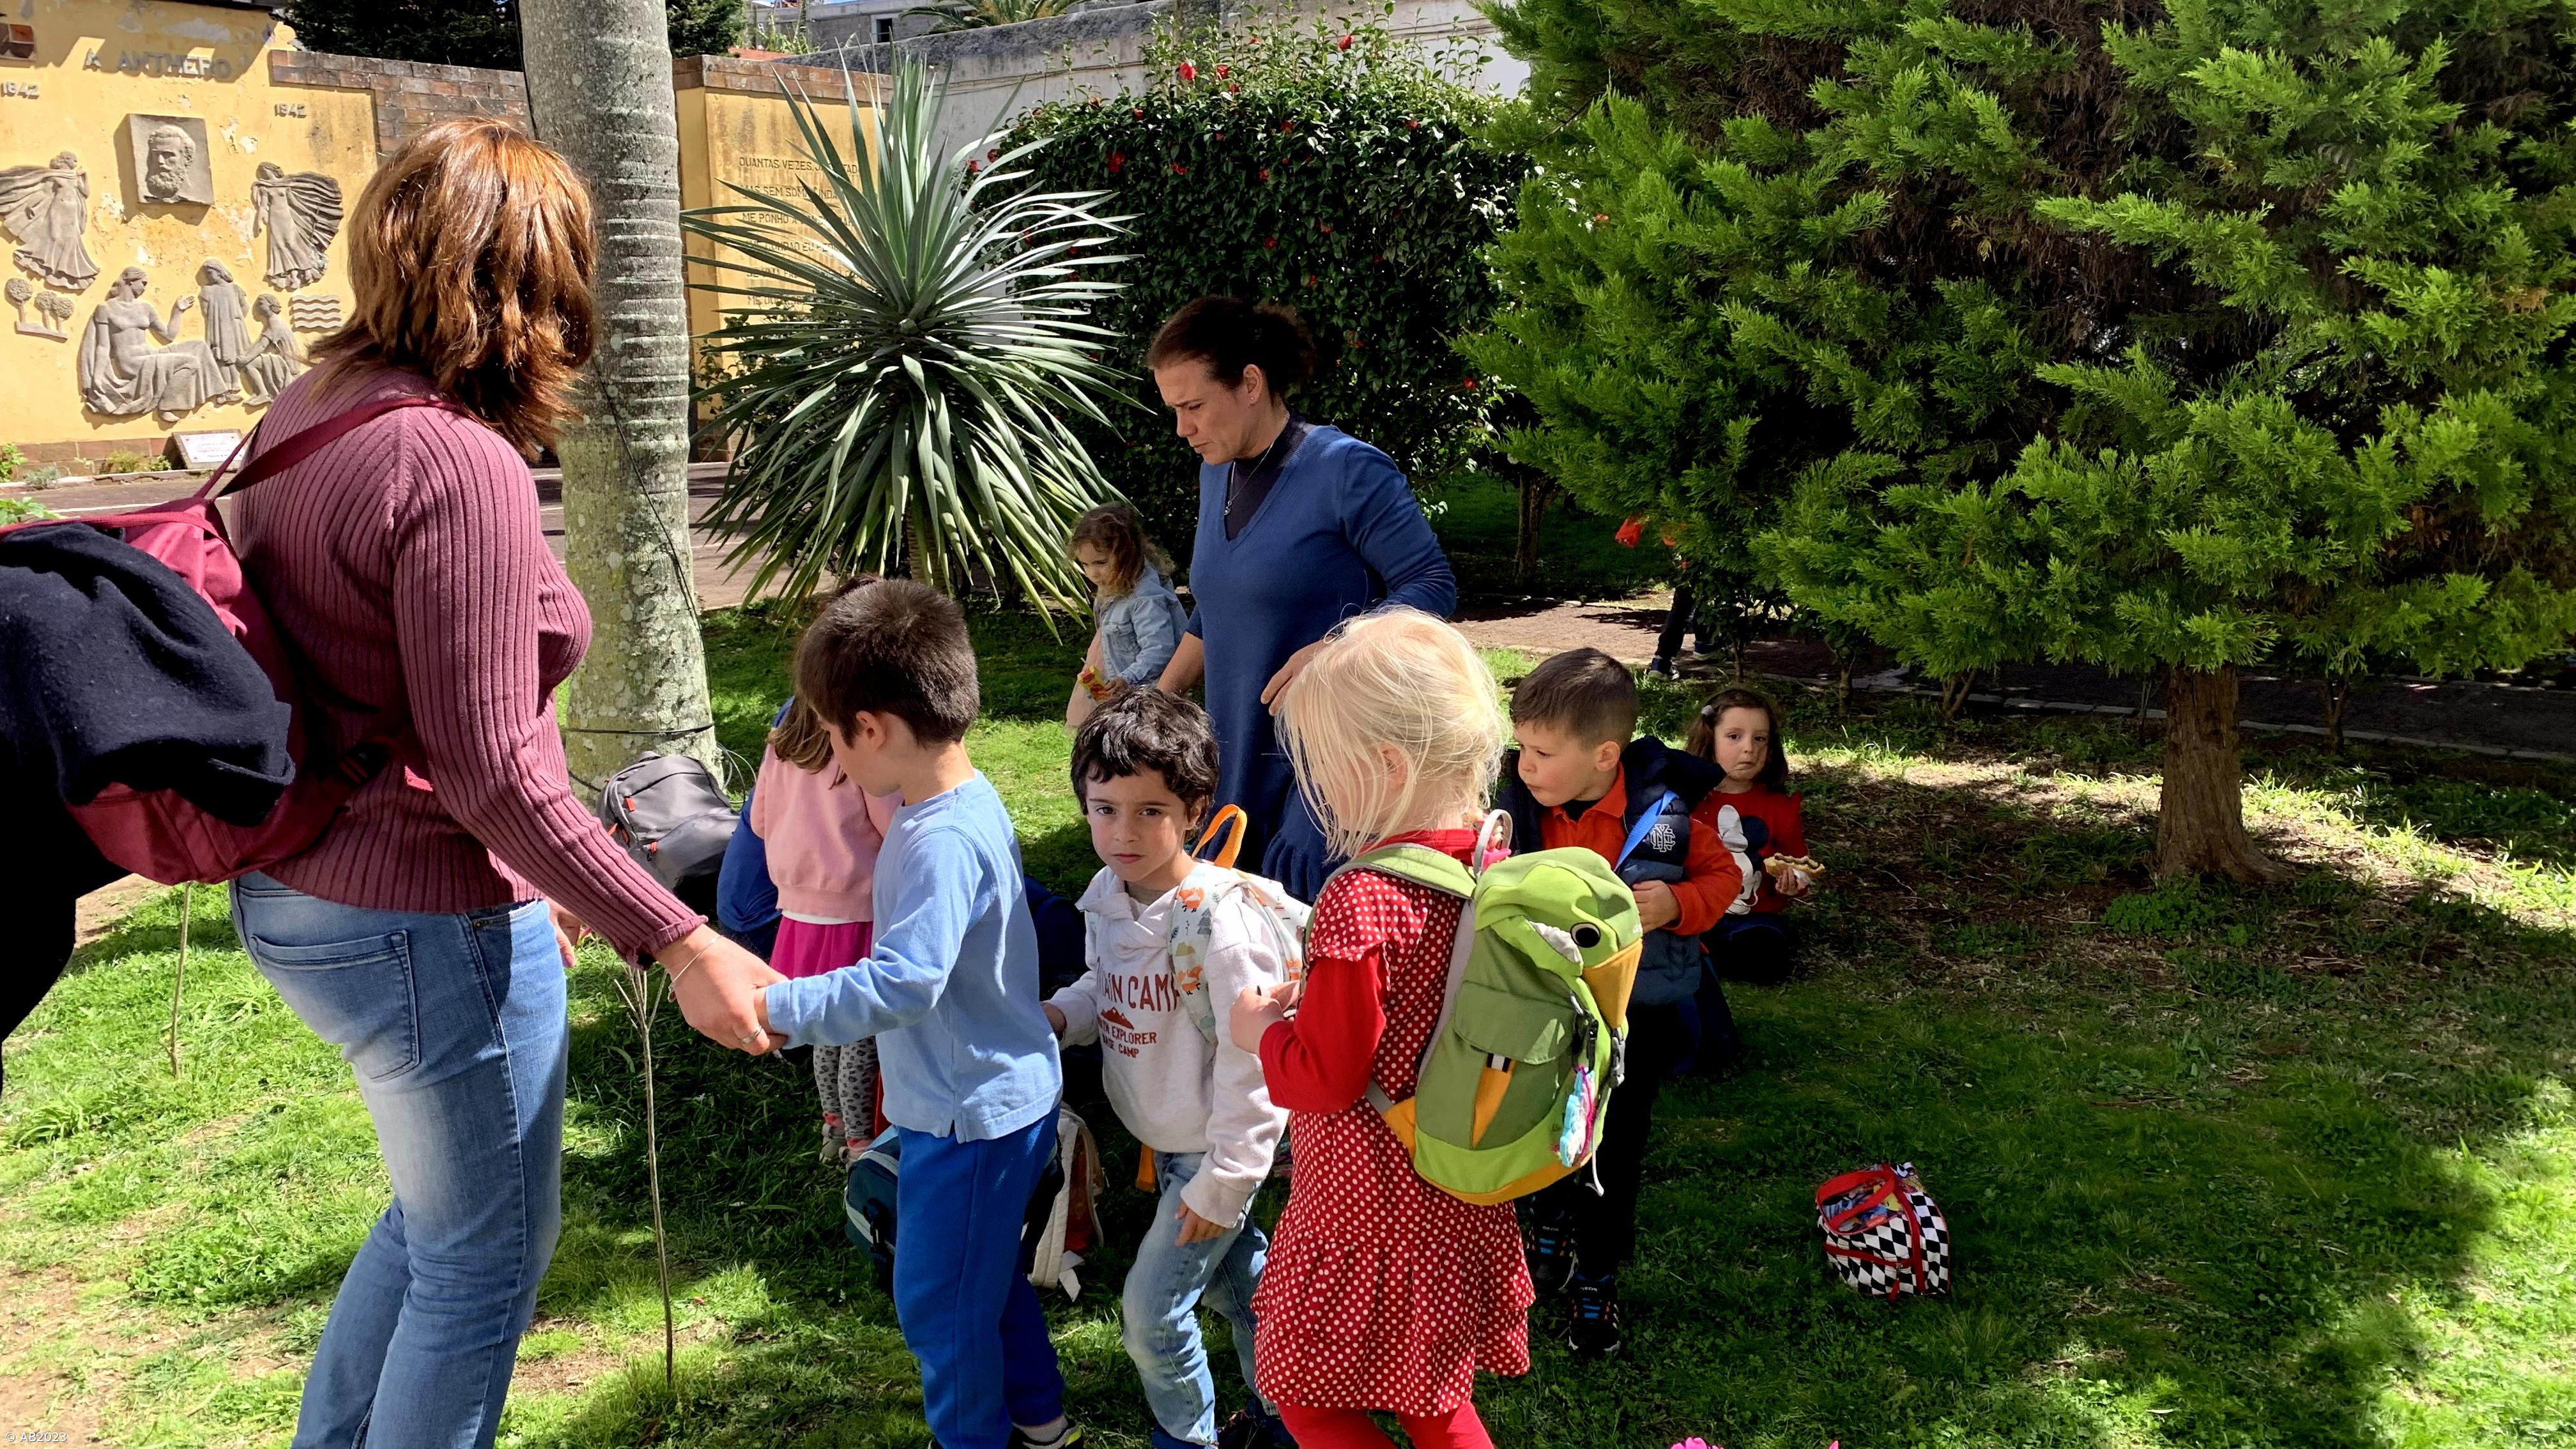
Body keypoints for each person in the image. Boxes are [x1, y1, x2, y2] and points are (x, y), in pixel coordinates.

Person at [224, 118, 780, 1449]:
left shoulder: (310, 411)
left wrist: (556, 870)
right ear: (540, 280)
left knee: (441, 1227)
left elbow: (442, 723)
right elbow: (484, 768)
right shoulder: (450, 460)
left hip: (304, 888)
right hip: (419, 920)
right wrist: (682, 935)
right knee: (480, 1266)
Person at [751, 579, 1075, 1449]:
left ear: (874, 730)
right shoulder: (960, 801)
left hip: (966, 1118)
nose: (825, 747)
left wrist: (775, 1007)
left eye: (828, 730)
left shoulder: (933, 838)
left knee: (938, 1309)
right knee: (984, 1283)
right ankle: (1043, 1428)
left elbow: (903, 983)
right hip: (991, 1098)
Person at [1227, 608, 1530, 1449]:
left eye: (1323, 769)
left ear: (1388, 766)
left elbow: (1325, 1076)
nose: (1315, 789)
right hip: (1458, 1188)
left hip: (1365, 1205)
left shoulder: (1365, 899)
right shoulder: (1491, 866)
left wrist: (1263, 1033)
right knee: (1434, 1398)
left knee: (1307, 1395)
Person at [1043, 689, 1294, 1449]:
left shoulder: (1220, 925)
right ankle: (1293, 1418)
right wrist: (1059, 1017)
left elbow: (1256, 1066)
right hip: (1170, 1138)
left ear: (1194, 811)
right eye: (1104, 808)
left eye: (1150, 811)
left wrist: (1224, 1181)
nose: (1123, 831)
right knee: (1243, 1289)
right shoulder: (1107, 897)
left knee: (1152, 1320)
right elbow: (1102, 987)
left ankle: (1188, 1438)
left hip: (1211, 1157)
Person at [1148, 298, 1457, 901]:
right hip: (1234, 757)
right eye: (1175, 411)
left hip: (1323, 770)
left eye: (1193, 407)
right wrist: (1157, 702)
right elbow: (1220, 604)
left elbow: (1431, 584)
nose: (1183, 429)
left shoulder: (1348, 471)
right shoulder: (1218, 471)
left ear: (1251, 384)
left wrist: (1336, 648)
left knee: (1300, 945)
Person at [1491, 647, 1745, 1358]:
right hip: (1540, 1013)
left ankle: (1596, 1276)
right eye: (1520, 748)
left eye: (1541, 752)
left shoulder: (1661, 814)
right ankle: (1546, 1215)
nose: (1524, 766)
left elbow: (1724, 875)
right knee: (1538, 1127)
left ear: (1606, 755)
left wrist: (1679, 902)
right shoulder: (1518, 809)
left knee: (1612, 1148)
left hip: (1635, 1021)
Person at [751, 687, 900, 1164]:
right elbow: (892, 822)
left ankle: (833, 1128)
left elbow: (758, 820)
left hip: (798, 912)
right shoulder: (855, 745)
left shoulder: (780, 744)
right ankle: (861, 1144)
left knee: (823, 1025)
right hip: (856, 908)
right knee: (860, 1029)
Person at [1687, 687, 1816, 987]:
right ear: (1710, 739)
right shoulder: (1684, 801)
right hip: (1693, 911)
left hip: (1753, 918)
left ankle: (1711, 956)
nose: (1749, 748)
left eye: (1760, 738)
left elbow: (1801, 866)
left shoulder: (1779, 808)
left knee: (1764, 954)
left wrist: (1795, 882)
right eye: (1735, 737)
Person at [1067, 503, 1188, 730]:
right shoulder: (1114, 583)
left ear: (1126, 554)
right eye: (1085, 564)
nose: (1092, 573)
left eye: (1100, 563)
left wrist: (1127, 678)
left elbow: (1159, 650)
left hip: (1146, 702)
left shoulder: (1145, 597)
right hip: (1119, 692)